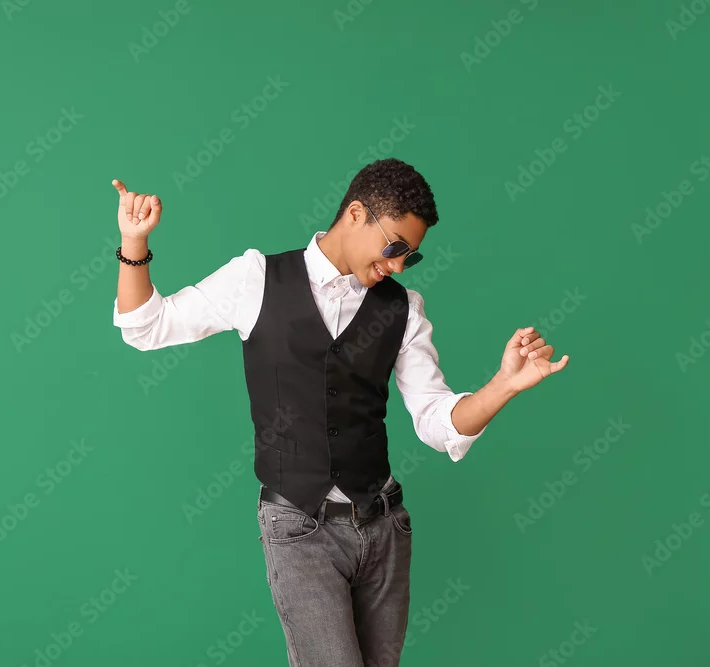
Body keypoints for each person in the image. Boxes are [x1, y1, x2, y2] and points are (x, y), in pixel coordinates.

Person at [111, 158, 568, 667]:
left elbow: (437, 424)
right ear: (355, 214)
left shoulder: (403, 309)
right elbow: (145, 326)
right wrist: (134, 243)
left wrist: (503, 385)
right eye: (394, 247)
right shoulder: (257, 279)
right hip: (298, 526)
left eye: (411, 257)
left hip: (384, 526)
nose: (398, 266)